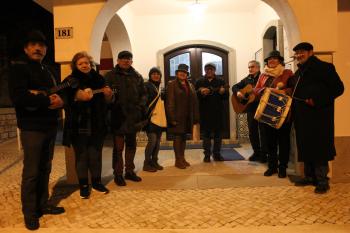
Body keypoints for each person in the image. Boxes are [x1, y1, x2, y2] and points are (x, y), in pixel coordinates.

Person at [8, 30, 65, 230]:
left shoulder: (48, 70)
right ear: (26, 48)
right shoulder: (18, 69)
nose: (37, 48)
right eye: (32, 44)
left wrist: (60, 101)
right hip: (31, 128)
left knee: (45, 168)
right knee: (31, 172)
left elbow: (58, 94)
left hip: (50, 126)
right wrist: (46, 99)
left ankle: (43, 204)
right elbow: (19, 97)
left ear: (46, 50)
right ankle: (30, 213)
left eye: (41, 45)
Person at [289, 42, 344, 194]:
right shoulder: (299, 72)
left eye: (302, 52)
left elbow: (339, 88)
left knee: (319, 148)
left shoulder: (325, 68)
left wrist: (317, 99)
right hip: (302, 116)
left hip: (319, 116)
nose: (299, 55)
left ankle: (322, 180)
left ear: (311, 52)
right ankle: (309, 176)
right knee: (306, 145)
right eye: (297, 52)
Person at [62, 51, 113, 198]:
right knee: (82, 156)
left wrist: (109, 95)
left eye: (87, 63)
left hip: (97, 123)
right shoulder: (70, 80)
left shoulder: (99, 79)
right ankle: (84, 185)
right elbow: (64, 98)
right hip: (79, 124)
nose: (85, 65)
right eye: (81, 63)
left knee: (95, 155)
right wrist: (76, 96)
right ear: (75, 66)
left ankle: (97, 182)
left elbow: (108, 101)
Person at [105, 50, 147, 186]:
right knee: (118, 148)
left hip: (133, 118)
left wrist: (140, 107)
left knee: (131, 146)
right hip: (118, 117)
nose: (126, 61)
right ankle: (118, 174)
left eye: (128, 58)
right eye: (123, 58)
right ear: (118, 60)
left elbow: (144, 94)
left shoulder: (137, 76)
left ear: (131, 61)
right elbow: (104, 96)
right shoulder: (110, 76)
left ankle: (129, 171)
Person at [253, 50, 293, 178]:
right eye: (269, 59)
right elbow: (256, 89)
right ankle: (272, 167)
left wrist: (282, 91)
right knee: (270, 141)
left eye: (274, 58)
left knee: (283, 141)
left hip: (282, 112)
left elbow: (292, 88)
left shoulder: (287, 73)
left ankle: (282, 168)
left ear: (280, 61)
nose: (271, 61)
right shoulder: (263, 75)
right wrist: (264, 89)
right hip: (267, 112)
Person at [165, 64, 199, 169]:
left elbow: (194, 102)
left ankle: (182, 158)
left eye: (184, 72)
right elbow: (169, 102)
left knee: (183, 138)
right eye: (180, 71)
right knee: (178, 138)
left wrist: (195, 117)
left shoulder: (190, 85)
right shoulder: (171, 84)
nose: (182, 73)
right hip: (177, 116)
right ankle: (178, 160)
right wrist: (171, 118)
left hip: (187, 116)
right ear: (176, 73)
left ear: (187, 74)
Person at [232, 60, 266, 163]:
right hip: (251, 108)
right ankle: (256, 152)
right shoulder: (247, 79)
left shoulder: (263, 78)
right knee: (252, 131)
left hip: (262, 108)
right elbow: (235, 86)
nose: (250, 69)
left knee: (263, 132)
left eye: (252, 67)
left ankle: (264, 154)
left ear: (258, 68)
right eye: (249, 67)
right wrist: (238, 92)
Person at [195, 62, 228, 162]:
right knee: (206, 135)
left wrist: (224, 92)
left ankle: (217, 154)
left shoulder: (221, 81)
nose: (209, 71)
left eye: (211, 69)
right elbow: (194, 95)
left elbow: (226, 97)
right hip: (204, 112)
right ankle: (207, 155)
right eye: (207, 69)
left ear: (214, 70)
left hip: (218, 112)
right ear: (205, 70)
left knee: (218, 135)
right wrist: (200, 92)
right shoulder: (199, 81)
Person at [143, 67, 166, 172]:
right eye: (153, 74)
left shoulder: (160, 87)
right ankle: (146, 163)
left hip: (159, 118)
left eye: (158, 74)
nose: (156, 75)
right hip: (150, 118)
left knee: (157, 142)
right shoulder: (147, 86)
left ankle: (154, 161)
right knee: (152, 141)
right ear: (150, 75)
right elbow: (143, 101)